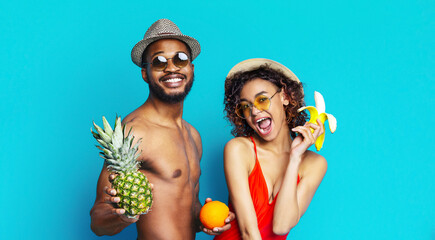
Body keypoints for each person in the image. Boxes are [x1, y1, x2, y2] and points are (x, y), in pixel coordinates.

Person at [90, 19, 234, 239]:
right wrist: (123, 216)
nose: (171, 67)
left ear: (191, 68)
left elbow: (181, 210)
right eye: (158, 62)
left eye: (181, 59)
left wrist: (204, 218)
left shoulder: (193, 135)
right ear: (145, 73)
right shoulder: (133, 132)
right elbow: (97, 222)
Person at [215, 59, 328, 240]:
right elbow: (248, 232)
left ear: (285, 97)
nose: (254, 112)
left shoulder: (314, 164)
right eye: (246, 106)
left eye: (262, 100)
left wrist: (294, 158)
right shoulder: (238, 150)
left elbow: (281, 226)